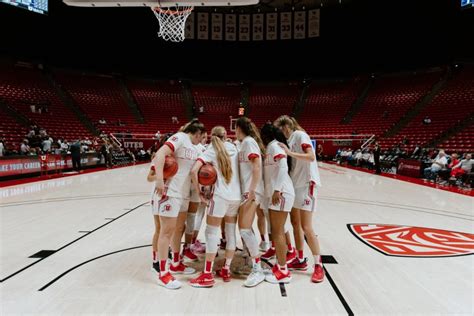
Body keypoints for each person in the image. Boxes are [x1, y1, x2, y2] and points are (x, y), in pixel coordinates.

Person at [152, 119, 205, 290]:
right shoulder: (180, 137)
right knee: (166, 232)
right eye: (201, 137)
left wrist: (200, 192)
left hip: (180, 194)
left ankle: (174, 264)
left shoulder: (194, 147)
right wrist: (160, 179)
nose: (202, 140)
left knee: (175, 230)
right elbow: (160, 154)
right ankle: (162, 273)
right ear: (197, 134)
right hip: (167, 191)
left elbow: (194, 173)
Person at [189, 126, 241, 287]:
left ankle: (207, 274)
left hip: (219, 197)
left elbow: (194, 171)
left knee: (211, 232)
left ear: (212, 136)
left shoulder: (211, 149)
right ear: (226, 136)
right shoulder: (233, 147)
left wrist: (199, 194)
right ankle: (226, 269)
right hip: (236, 196)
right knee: (231, 233)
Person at [274, 115, 324, 283]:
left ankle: (318, 265)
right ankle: (300, 258)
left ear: (286, 126)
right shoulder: (289, 140)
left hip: (306, 183)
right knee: (295, 224)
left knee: (306, 226)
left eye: (280, 129)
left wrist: (289, 152)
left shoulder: (300, 135)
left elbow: (310, 156)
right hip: (295, 184)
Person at [260, 124, 295, 284]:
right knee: (276, 231)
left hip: (282, 193)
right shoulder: (270, 149)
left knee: (278, 232)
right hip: (277, 193)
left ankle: (283, 271)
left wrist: (277, 190)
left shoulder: (274, 146)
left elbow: (283, 166)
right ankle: (280, 265)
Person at [235, 117, 266, 287]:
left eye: (235, 128)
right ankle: (251, 262)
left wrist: (252, 189)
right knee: (246, 228)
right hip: (248, 190)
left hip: (252, 190)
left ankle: (258, 269)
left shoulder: (248, 142)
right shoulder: (244, 144)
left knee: (245, 229)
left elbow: (257, 165)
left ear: (240, 128)